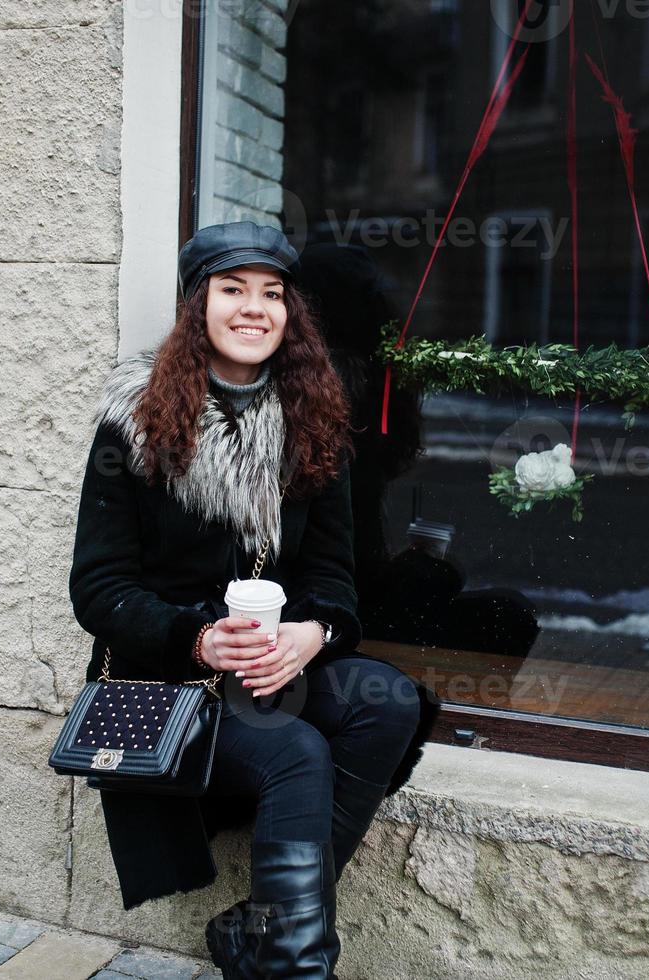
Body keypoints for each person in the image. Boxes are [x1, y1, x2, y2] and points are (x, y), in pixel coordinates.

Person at [68, 221, 440, 979]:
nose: (253, 308)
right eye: (232, 289)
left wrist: (315, 631)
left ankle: (263, 934)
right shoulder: (135, 422)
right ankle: (297, 970)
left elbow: (335, 574)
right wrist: (198, 640)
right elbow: (99, 589)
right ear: (197, 307)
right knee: (293, 750)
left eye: (271, 294)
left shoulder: (313, 421)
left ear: (289, 315)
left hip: (271, 668)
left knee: (388, 701)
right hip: (167, 677)